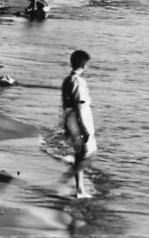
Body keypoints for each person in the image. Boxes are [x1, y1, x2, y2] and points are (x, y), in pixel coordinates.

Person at [61, 50, 97, 198]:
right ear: (84, 65)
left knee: (81, 154)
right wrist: (85, 129)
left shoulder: (68, 80)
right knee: (88, 153)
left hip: (71, 118)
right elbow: (80, 105)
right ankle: (75, 185)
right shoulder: (78, 81)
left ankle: (79, 188)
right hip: (78, 119)